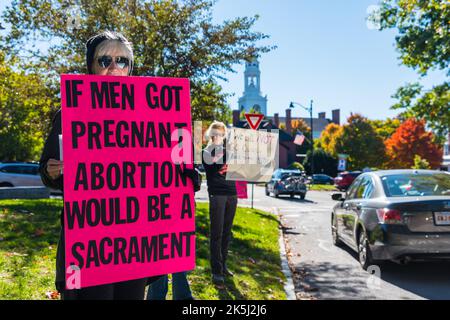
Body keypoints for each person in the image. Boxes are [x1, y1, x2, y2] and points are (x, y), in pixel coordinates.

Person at [39, 30, 199, 300]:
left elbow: (166, 172)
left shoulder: (154, 116)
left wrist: (185, 177)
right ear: (91, 66)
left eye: (122, 61)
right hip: (88, 246)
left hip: (134, 247)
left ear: (130, 68)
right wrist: (52, 171)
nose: (114, 67)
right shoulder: (70, 112)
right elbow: (46, 172)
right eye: (104, 61)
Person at [202, 121, 238, 287]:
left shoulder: (228, 151)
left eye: (222, 133)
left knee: (226, 233)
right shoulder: (207, 152)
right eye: (217, 133)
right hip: (217, 194)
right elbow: (213, 168)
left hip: (232, 193)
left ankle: (223, 265)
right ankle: (216, 271)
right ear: (211, 134)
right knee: (216, 234)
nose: (219, 136)